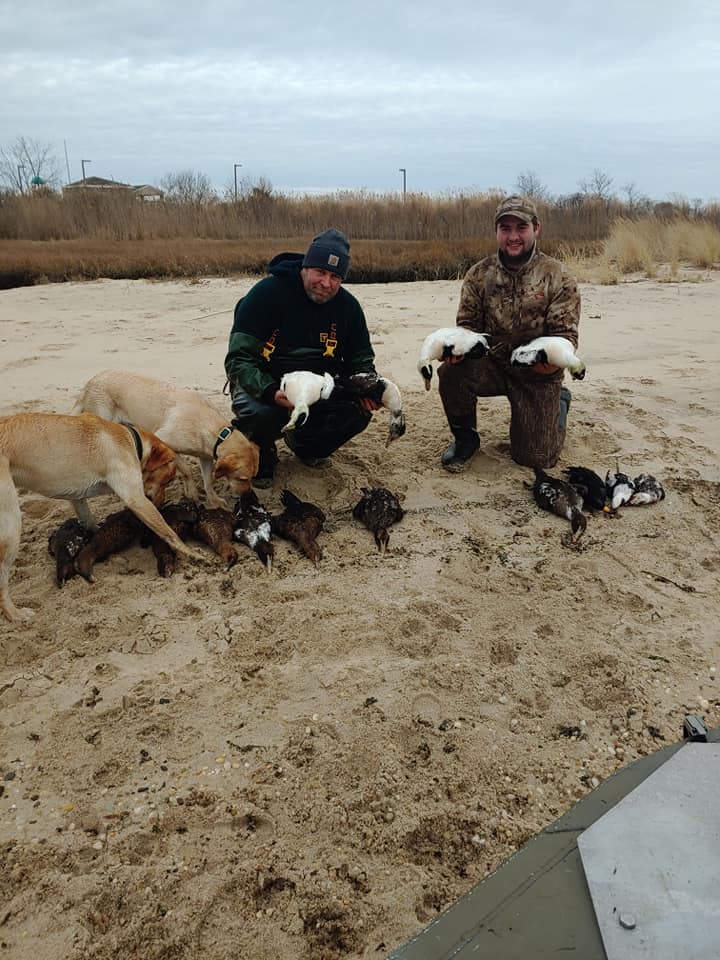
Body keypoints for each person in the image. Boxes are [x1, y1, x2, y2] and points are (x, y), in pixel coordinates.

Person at [224, 228, 380, 487]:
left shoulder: (348, 308)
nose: (326, 283)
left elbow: (362, 362)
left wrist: (369, 389)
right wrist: (270, 392)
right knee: (259, 412)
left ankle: (306, 445)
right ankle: (263, 450)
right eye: (320, 272)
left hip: (320, 387)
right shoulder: (265, 295)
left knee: (356, 413)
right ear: (305, 267)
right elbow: (238, 360)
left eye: (335, 276)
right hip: (268, 386)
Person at [437, 195, 580, 472]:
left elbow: (565, 336)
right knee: (450, 372)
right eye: (505, 229)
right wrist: (457, 348)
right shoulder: (479, 275)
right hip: (493, 363)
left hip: (538, 374)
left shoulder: (559, 277)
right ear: (497, 232)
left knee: (537, 459)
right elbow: (467, 327)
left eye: (521, 228)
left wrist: (552, 363)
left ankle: (559, 403)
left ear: (536, 228)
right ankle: (466, 439)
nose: (513, 236)